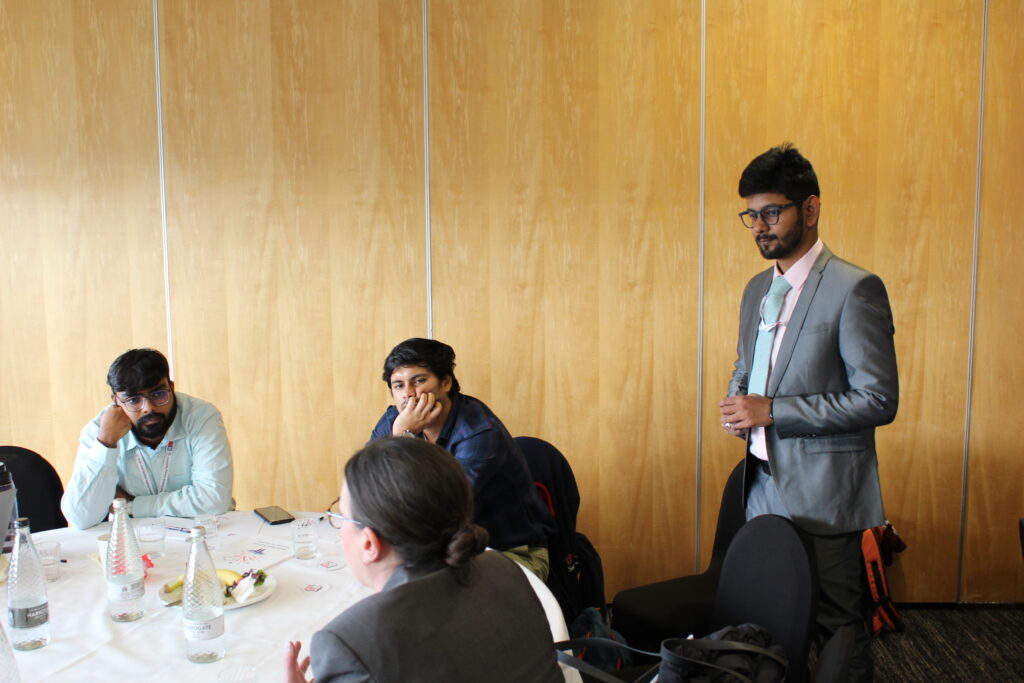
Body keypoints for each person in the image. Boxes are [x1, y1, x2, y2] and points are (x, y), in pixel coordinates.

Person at [718, 143, 898, 681]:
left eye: (771, 211)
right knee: (767, 621)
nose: (758, 226)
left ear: (811, 208)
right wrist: (736, 402)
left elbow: (877, 400)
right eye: (751, 214)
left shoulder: (854, 288)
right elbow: (748, 363)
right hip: (761, 485)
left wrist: (772, 411)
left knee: (838, 626)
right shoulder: (757, 289)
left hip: (824, 491)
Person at [286, 437, 564, 683]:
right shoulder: (503, 568)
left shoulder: (351, 644)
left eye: (342, 517)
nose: (340, 529)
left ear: (369, 543)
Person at [369, 338, 552, 579]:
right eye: (399, 386)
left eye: (419, 381)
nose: (409, 395)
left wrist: (404, 437)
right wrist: (401, 433)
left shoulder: (479, 433)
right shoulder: (396, 419)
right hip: (440, 548)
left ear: (445, 382)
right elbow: (368, 485)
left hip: (509, 555)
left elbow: (436, 509)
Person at [61, 348, 233, 528]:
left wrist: (131, 505)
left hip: (206, 531)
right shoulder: (99, 431)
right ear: (116, 401)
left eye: (158, 395)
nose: (148, 408)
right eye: (134, 400)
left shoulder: (201, 416)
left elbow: (214, 500)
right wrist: (106, 444)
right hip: (136, 536)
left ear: (171, 388)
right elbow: (80, 517)